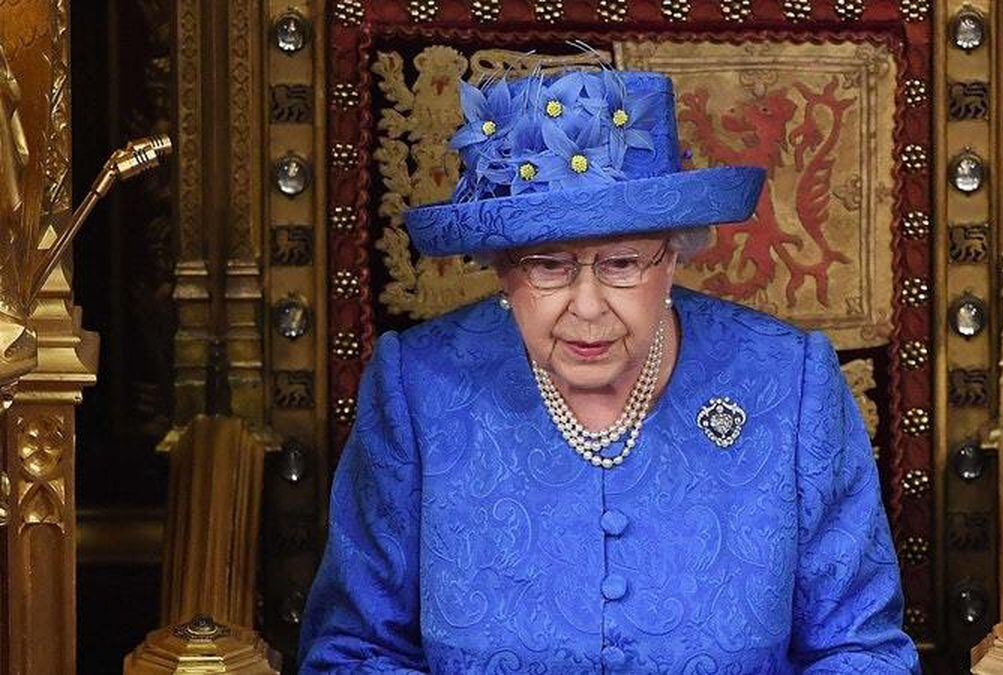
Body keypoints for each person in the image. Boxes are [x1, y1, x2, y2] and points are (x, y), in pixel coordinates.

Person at [299, 67, 920, 673]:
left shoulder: (791, 382)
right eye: (548, 265)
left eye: (623, 263)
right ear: (503, 270)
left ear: (674, 254)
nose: (588, 307)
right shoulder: (418, 387)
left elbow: (859, 651)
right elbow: (354, 652)